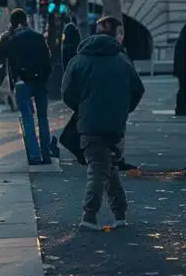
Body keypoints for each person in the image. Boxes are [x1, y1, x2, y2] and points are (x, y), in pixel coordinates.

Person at [62, 15, 145, 231]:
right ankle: (120, 213)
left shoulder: (78, 60)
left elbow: (67, 93)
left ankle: (89, 216)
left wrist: (81, 108)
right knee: (108, 166)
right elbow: (138, 90)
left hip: (89, 122)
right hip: (115, 124)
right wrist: (123, 110)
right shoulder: (123, 60)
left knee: (97, 169)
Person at [0, 8, 53, 164]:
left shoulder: (11, 38)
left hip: (21, 82)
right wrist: (45, 77)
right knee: (43, 118)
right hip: (40, 82)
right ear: (26, 20)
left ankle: (34, 155)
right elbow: (48, 59)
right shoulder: (38, 37)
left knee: (27, 118)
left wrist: (5, 35)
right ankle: (46, 154)